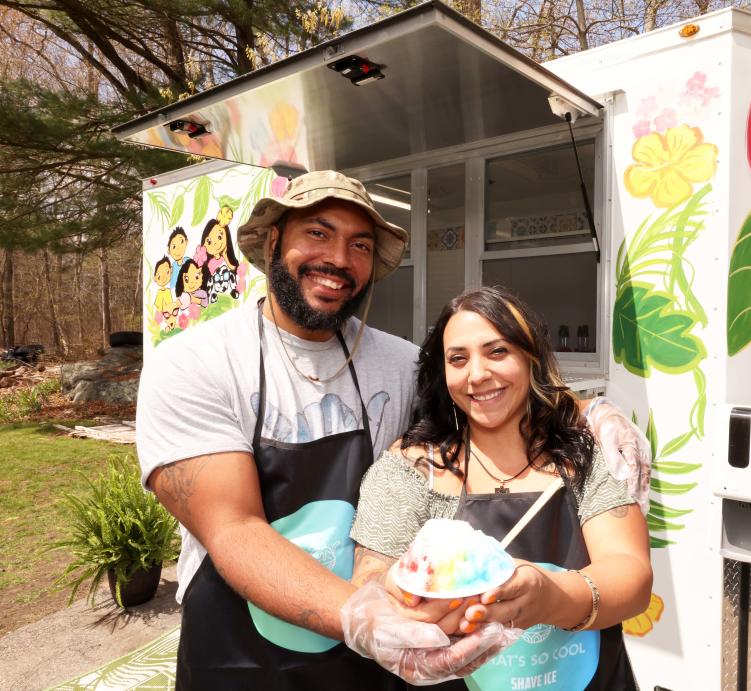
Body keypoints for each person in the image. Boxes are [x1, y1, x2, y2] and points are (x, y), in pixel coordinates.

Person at [136, 171, 498, 689]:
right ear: (275, 240)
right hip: (242, 652)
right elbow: (234, 528)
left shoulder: (402, 363)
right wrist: (364, 619)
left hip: (372, 653)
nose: (340, 260)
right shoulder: (196, 363)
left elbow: (489, 403)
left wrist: (579, 412)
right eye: (319, 233)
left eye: (361, 245)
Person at [346, 286, 653, 690]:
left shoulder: (584, 455)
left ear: (531, 358)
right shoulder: (412, 467)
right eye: (458, 359)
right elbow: (370, 576)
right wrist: (388, 611)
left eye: (497, 352)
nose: (476, 374)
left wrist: (551, 596)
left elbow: (631, 575)